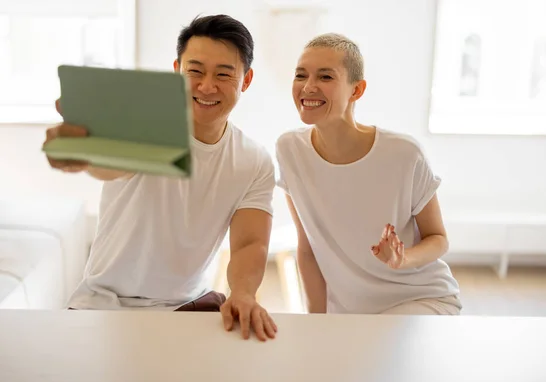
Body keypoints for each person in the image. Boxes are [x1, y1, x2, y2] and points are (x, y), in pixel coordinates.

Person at [44, 14, 278, 340]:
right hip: (104, 303)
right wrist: (80, 157)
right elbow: (109, 165)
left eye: (223, 74)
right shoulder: (143, 127)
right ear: (177, 70)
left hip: (187, 306)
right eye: (194, 71)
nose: (207, 86)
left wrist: (243, 292)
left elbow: (250, 243)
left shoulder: (254, 161)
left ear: (246, 80)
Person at [275, 33, 461, 315]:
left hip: (417, 300)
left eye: (325, 77)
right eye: (301, 75)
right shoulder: (289, 149)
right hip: (349, 311)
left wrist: (402, 259)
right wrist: (315, 323)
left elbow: (438, 239)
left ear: (356, 90)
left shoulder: (404, 154)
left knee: (382, 358)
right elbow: (308, 249)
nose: (308, 87)